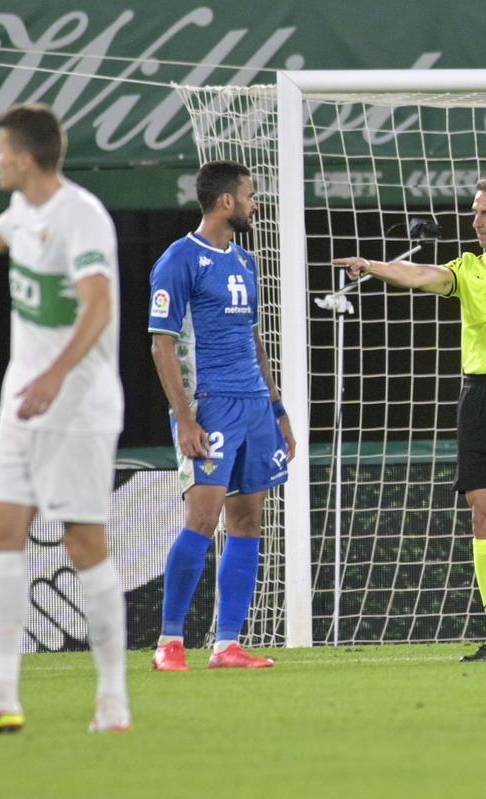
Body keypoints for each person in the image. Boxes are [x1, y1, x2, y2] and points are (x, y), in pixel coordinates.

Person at [335, 75, 486, 661]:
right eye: (474, 212)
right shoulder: (467, 270)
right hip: (478, 398)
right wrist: (373, 266)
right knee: (483, 517)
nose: (476, 221)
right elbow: (422, 276)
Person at [0, 103, 129, 733]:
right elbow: (1, 233)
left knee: (82, 541)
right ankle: (0, 693)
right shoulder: (23, 211)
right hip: (23, 403)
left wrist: (56, 374)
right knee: (1, 531)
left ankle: (113, 698)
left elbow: (98, 307)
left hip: (77, 404)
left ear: (26, 157)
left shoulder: (82, 217)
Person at [148, 160, 295, 671]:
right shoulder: (178, 260)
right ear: (227, 201)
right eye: (251, 196)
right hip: (210, 406)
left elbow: (255, 340)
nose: (256, 204)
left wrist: (278, 408)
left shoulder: (247, 262)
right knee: (203, 518)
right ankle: (169, 643)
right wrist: (185, 419)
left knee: (248, 520)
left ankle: (227, 644)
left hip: (254, 405)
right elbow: (161, 345)